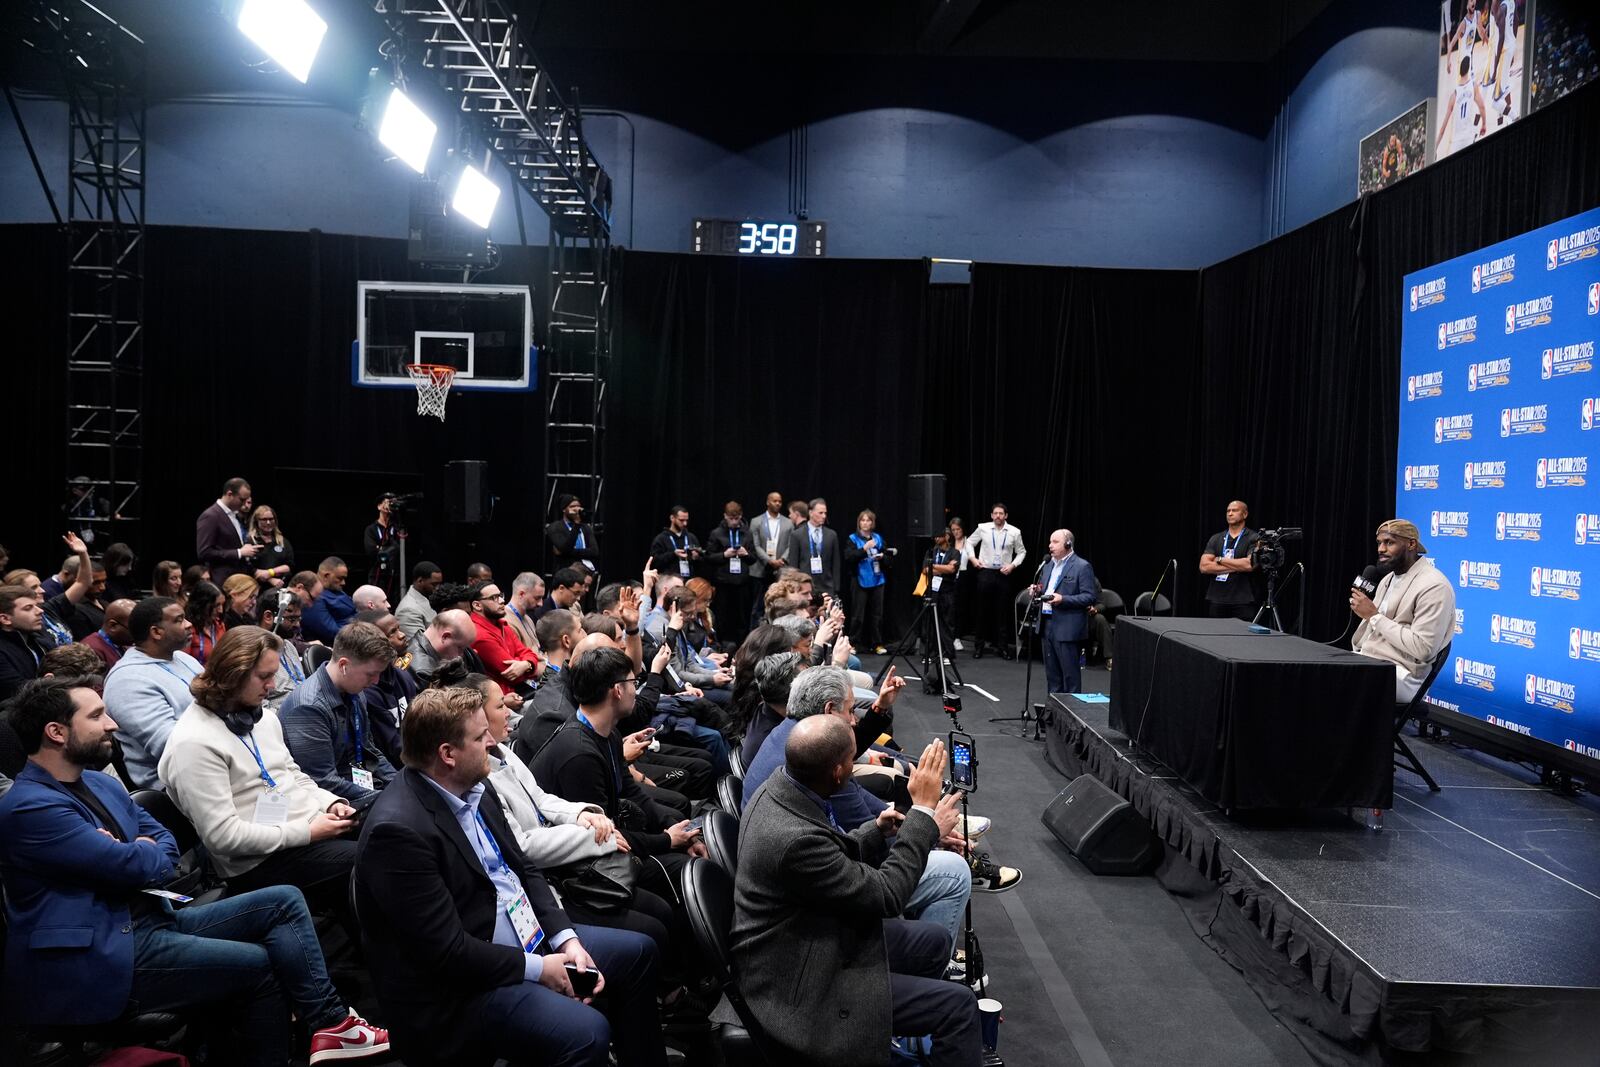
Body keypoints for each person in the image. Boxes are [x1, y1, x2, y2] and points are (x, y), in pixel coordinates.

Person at [0, 676, 390, 1066]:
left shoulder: (101, 783)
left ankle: (331, 1025)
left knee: (282, 902)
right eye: (97, 715)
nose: (111, 723)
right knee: (260, 965)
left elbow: (161, 843)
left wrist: (133, 850)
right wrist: (135, 853)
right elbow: (133, 866)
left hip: (148, 920)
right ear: (56, 732)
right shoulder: (29, 807)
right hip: (98, 955)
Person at [353, 686, 668, 1067]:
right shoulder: (398, 832)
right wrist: (538, 968)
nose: (492, 742)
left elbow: (524, 869)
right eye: (479, 736)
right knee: (587, 1032)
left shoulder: (476, 788)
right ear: (447, 754)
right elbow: (448, 953)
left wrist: (565, 939)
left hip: (524, 939)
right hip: (460, 989)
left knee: (638, 952)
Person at [734, 717, 980, 1066]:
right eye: (852, 760)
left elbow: (827, 860)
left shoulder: (783, 784)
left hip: (802, 935)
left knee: (935, 941)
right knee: (959, 1007)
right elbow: (886, 895)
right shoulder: (794, 839)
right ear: (837, 772)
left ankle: (891, 1039)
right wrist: (923, 814)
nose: (856, 766)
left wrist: (876, 831)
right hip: (799, 982)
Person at [159, 626, 362, 918]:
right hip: (258, 864)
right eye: (264, 676)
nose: (273, 685)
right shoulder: (193, 743)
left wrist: (328, 802)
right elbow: (223, 838)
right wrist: (307, 832)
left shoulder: (262, 717)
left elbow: (292, 774)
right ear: (232, 674)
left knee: (389, 831)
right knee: (373, 858)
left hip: (305, 830)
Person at [531, 648, 708, 900]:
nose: (636, 690)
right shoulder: (579, 756)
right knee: (687, 872)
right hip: (581, 867)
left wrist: (675, 829)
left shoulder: (606, 731)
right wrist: (667, 841)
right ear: (617, 690)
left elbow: (631, 790)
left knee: (680, 829)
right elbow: (602, 837)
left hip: (611, 838)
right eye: (633, 683)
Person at [279, 621, 397, 803]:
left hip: (356, 783)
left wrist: (400, 785)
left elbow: (370, 751)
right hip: (329, 801)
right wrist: (386, 799)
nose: (376, 681)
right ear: (344, 665)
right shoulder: (308, 708)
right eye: (371, 673)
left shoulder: (355, 690)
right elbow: (322, 781)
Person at [1350, 519, 1457, 700]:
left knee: (1333, 682)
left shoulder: (1434, 586)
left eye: (1389, 542)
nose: (1381, 549)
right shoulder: (1387, 579)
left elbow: (1424, 649)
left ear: (1411, 544)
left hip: (1403, 674)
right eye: (1379, 543)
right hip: (1371, 661)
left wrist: (1374, 616)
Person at [101, 596, 201, 789]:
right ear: (156, 632)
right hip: (173, 785)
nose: (189, 625)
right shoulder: (126, 681)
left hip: (209, 765)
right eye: (179, 620)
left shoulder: (182, 658)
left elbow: (220, 701)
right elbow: (173, 746)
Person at [1032, 529, 1097, 695]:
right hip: (1047, 624)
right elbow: (1044, 587)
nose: (1050, 546)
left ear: (1068, 544)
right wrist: (1037, 590)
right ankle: (1053, 717)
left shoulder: (1082, 566)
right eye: (1050, 542)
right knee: (1052, 676)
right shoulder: (1048, 565)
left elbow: (1089, 597)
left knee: (1070, 677)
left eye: (1055, 542)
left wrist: (1064, 599)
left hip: (1067, 627)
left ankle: (1070, 718)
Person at [354, 609, 418, 766]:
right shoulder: (368, 690)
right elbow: (392, 748)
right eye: (392, 633)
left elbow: (419, 724)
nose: (401, 635)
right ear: (373, 643)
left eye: (399, 628)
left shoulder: (402, 675)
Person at [967, 503, 1027, 659]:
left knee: (1002, 612)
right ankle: (979, 647)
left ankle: (1003, 648)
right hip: (985, 572)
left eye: (1001, 513)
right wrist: (973, 558)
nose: (998, 516)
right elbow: (969, 542)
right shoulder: (983, 528)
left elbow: (1021, 552)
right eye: (995, 513)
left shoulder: (1014, 532)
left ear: (1006, 516)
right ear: (992, 515)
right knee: (981, 611)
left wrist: (1013, 565)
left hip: (1003, 573)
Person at [470, 579, 541, 700]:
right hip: (500, 699)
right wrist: (531, 664)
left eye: (501, 595)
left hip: (517, 691)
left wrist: (525, 664)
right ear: (477, 605)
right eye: (494, 598)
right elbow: (512, 674)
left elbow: (526, 652)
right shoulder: (479, 634)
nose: (502, 601)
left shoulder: (502, 624)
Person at [705, 500, 756, 647]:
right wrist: (724, 555)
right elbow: (708, 557)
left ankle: (742, 647)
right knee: (722, 617)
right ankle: (720, 645)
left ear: (741, 516)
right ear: (725, 516)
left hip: (742, 583)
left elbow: (753, 559)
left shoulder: (747, 533)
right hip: (723, 584)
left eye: (737, 518)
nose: (734, 521)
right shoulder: (717, 533)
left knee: (742, 618)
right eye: (730, 518)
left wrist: (745, 554)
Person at [1199, 500, 1260, 621]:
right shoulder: (1216, 538)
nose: (1230, 513)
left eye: (1235, 510)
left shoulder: (1254, 537)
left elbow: (1249, 564)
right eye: (1228, 511)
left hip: (1243, 599)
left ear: (1245, 514)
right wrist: (1238, 566)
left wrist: (1220, 559)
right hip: (1217, 598)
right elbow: (1204, 567)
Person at [196, 477, 259, 586]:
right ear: (229, 494)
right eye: (242, 500)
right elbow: (204, 552)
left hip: (238, 580)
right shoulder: (211, 516)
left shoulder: (235, 515)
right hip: (222, 581)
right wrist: (239, 552)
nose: (245, 504)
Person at [845, 508, 890, 654]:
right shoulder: (853, 538)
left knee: (877, 614)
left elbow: (889, 558)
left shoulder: (878, 538)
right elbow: (849, 557)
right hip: (860, 578)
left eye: (868, 520)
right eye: (863, 520)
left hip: (877, 578)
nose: (865, 523)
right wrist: (864, 549)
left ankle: (877, 644)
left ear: (872, 523)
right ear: (859, 523)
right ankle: (853, 643)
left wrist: (882, 557)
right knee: (858, 614)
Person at [0, 585, 51, 699]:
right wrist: (48, 683)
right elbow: (17, 690)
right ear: (5, 619)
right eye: (28, 608)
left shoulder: (37, 639)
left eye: (36, 606)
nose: (40, 611)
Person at [405, 608, 479, 687]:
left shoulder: (458, 644)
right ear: (445, 637)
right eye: (460, 648)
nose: (461, 655)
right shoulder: (423, 672)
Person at [787, 497, 844, 595]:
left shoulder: (831, 535)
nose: (824, 516)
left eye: (825, 513)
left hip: (827, 585)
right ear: (810, 512)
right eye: (820, 513)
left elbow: (836, 563)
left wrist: (836, 587)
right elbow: (793, 563)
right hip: (805, 587)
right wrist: (795, 586)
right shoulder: (797, 535)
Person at [301, 557, 356, 642]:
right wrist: (359, 625)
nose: (343, 583)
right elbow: (332, 633)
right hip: (337, 645)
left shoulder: (337, 591)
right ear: (326, 576)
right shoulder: (313, 598)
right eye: (340, 578)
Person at [547, 494, 601, 577]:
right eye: (572, 506)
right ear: (564, 509)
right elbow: (565, 548)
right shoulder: (555, 527)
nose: (577, 509)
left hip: (586, 570)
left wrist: (568, 552)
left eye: (578, 506)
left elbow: (594, 551)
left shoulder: (586, 527)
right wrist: (576, 524)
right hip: (566, 571)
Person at [364, 493, 402, 603]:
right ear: (379, 506)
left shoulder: (397, 528)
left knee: (394, 603)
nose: (389, 505)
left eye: (392, 503)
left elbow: (400, 549)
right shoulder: (371, 529)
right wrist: (390, 549)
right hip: (377, 573)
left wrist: (380, 548)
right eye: (387, 502)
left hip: (395, 573)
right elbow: (371, 550)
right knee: (376, 603)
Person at [649, 504, 703, 581]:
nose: (685, 523)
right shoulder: (661, 538)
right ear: (672, 518)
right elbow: (655, 561)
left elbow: (701, 563)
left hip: (688, 580)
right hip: (669, 581)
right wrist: (673, 554)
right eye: (681, 520)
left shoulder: (691, 537)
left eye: (686, 520)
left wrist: (696, 558)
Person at [247, 504, 296, 589]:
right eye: (264, 519)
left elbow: (289, 566)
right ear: (256, 521)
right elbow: (247, 568)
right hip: (255, 588)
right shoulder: (249, 541)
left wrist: (270, 572)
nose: (268, 522)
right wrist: (270, 580)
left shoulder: (282, 541)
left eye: (271, 519)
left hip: (280, 587)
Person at [82, 596, 136, 668]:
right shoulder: (91, 652)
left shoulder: (121, 643)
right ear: (113, 625)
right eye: (133, 629)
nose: (138, 634)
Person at [394, 560, 441, 637]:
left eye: (439, 584)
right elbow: (417, 646)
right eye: (434, 584)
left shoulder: (429, 598)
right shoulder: (408, 610)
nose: (438, 588)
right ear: (420, 581)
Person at [185, 579, 226, 665]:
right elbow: (183, 663)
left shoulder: (220, 625)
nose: (221, 610)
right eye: (216, 606)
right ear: (202, 605)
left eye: (222, 605)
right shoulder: (187, 629)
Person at [505, 571, 545, 648]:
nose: (541, 604)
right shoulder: (506, 622)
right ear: (521, 594)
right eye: (537, 598)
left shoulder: (528, 619)